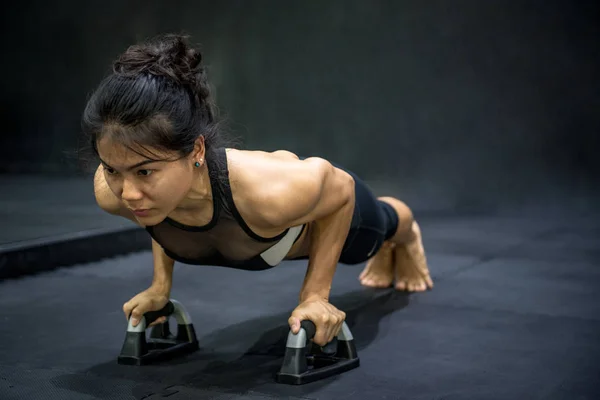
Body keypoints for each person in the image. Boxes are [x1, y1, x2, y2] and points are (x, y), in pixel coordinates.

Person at [82, 34, 433, 347]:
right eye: (113, 169)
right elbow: (161, 216)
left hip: (335, 214)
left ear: (197, 152)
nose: (128, 192)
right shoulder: (115, 192)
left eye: (145, 171)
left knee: (383, 225)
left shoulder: (270, 194)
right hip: (264, 224)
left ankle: (407, 235)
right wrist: (160, 288)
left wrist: (315, 295)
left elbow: (341, 188)